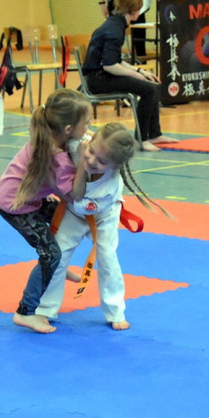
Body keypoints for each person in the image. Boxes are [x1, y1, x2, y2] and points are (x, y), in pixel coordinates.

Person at [0, 89, 91, 334]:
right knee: (50, 254)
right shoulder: (56, 156)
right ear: (68, 129)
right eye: (87, 122)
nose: (89, 127)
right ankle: (25, 312)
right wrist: (83, 162)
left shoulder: (52, 138)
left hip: (26, 197)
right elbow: (73, 194)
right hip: (16, 206)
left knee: (71, 219)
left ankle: (56, 265)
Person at [35, 123, 146, 332]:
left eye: (102, 161)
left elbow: (78, 200)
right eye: (91, 151)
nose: (92, 161)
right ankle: (46, 308)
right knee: (57, 255)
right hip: (73, 213)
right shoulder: (79, 145)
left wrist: (70, 174)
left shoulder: (110, 185)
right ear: (90, 140)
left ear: (115, 166)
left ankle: (115, 311)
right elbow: (65, 131)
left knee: (108, 258)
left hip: (103, 216)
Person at [82, 0, 175, 152]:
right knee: (148, 90)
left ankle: (154, 134)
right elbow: (109, 65)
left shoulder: (116, 24)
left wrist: (140, 72)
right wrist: (135, 75)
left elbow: (116, 60)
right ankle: (142, 138)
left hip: (100, 75)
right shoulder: (114, 29)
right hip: (97, 79)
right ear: (135, 10)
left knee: (153, 85)